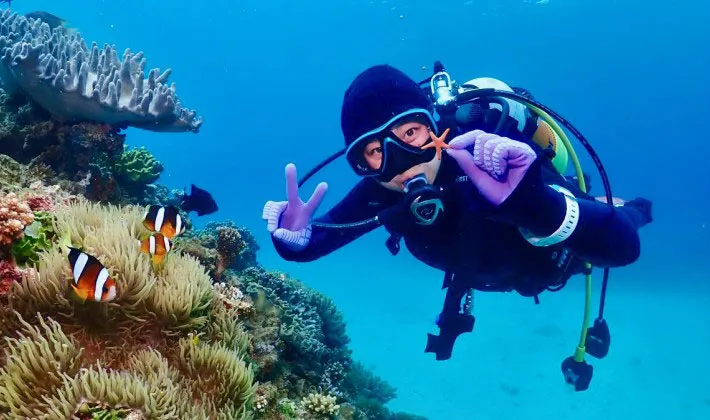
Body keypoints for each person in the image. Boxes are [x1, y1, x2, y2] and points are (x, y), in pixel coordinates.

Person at [261, 63, 653, 388]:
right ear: (363, 163)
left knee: (616, 222)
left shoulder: (491, 160)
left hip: (551, 262)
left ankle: (629, 206)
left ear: (434, 126)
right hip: (495, 272)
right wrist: (291, 238)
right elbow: (310, 245)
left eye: (410, 134)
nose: (401, 162)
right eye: (377, 151)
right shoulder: (381, 192)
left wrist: (534, 205)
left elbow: (623, 249)